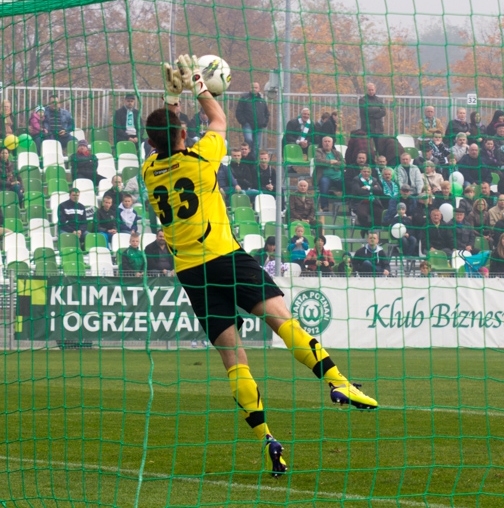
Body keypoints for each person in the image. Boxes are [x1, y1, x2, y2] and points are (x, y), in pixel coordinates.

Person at [143, 57, 377, 476]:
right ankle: (337, 382)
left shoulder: (149, 171)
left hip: (191, 274)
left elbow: (167, 134)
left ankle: (268, 438)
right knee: (282, 321)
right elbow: (217, 119)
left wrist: (170, 97)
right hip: (224, 256)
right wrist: (197, 84)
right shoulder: (201, 159)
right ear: (182, 134)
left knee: (234, 358)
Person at [235, 82, 270, 152]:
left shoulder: (262, 100)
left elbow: (267, 113)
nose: (254, 89)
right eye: (252, 87)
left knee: (257, 145)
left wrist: (264, 123)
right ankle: (247, 155)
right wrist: (243, 122)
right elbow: (238, 111)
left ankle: (254, 158)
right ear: (249, 88)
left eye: (256, 88)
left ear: (259, 89)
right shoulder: (244, 98)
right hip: (247, 124)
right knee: (248, 140)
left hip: (259, 126)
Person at [314, 136, 344, 210]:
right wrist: (330, 162)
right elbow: (318, 161)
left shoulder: (337, 153)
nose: (327, 143)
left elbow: (343, 164)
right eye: (325, 141)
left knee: (348, 184)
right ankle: (324, 206)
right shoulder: (318, 152)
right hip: (325, 177)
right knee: (324, 184)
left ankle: (347, 203)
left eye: (329, 141)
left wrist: (334, 163)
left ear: (332, 143)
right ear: (322, 143)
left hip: (338, 177)